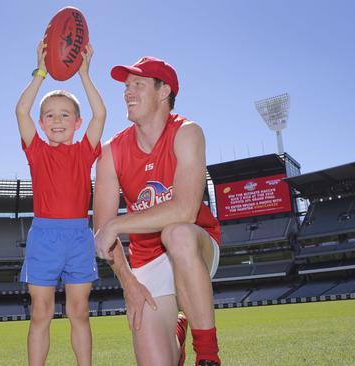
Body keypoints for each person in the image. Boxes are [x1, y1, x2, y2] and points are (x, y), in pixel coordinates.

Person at [93, 56, 221, 366]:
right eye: (126, 86)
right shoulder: (111, 151)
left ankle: (207, 355)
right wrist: (129, 284)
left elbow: (186, 210)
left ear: (164, 92)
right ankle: (176, 333)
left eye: (138, 84)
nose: (128, 92)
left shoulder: (187, 132)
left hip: (195, 246)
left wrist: (117, 225)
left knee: (176, 233)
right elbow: (102, 232)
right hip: (146, 261)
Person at [15, 41, 106, 366]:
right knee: (41, 312)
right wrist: (40, 72)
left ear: (76, 123)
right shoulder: (36, 151)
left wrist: (84, 74)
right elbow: (20, 111)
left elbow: (101, 114)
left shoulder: (84, 151)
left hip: (78, 237)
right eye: (49, 115)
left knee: (78, 311)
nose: (57, 120)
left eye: (65, 115)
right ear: (41, 123)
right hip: (44, 236)